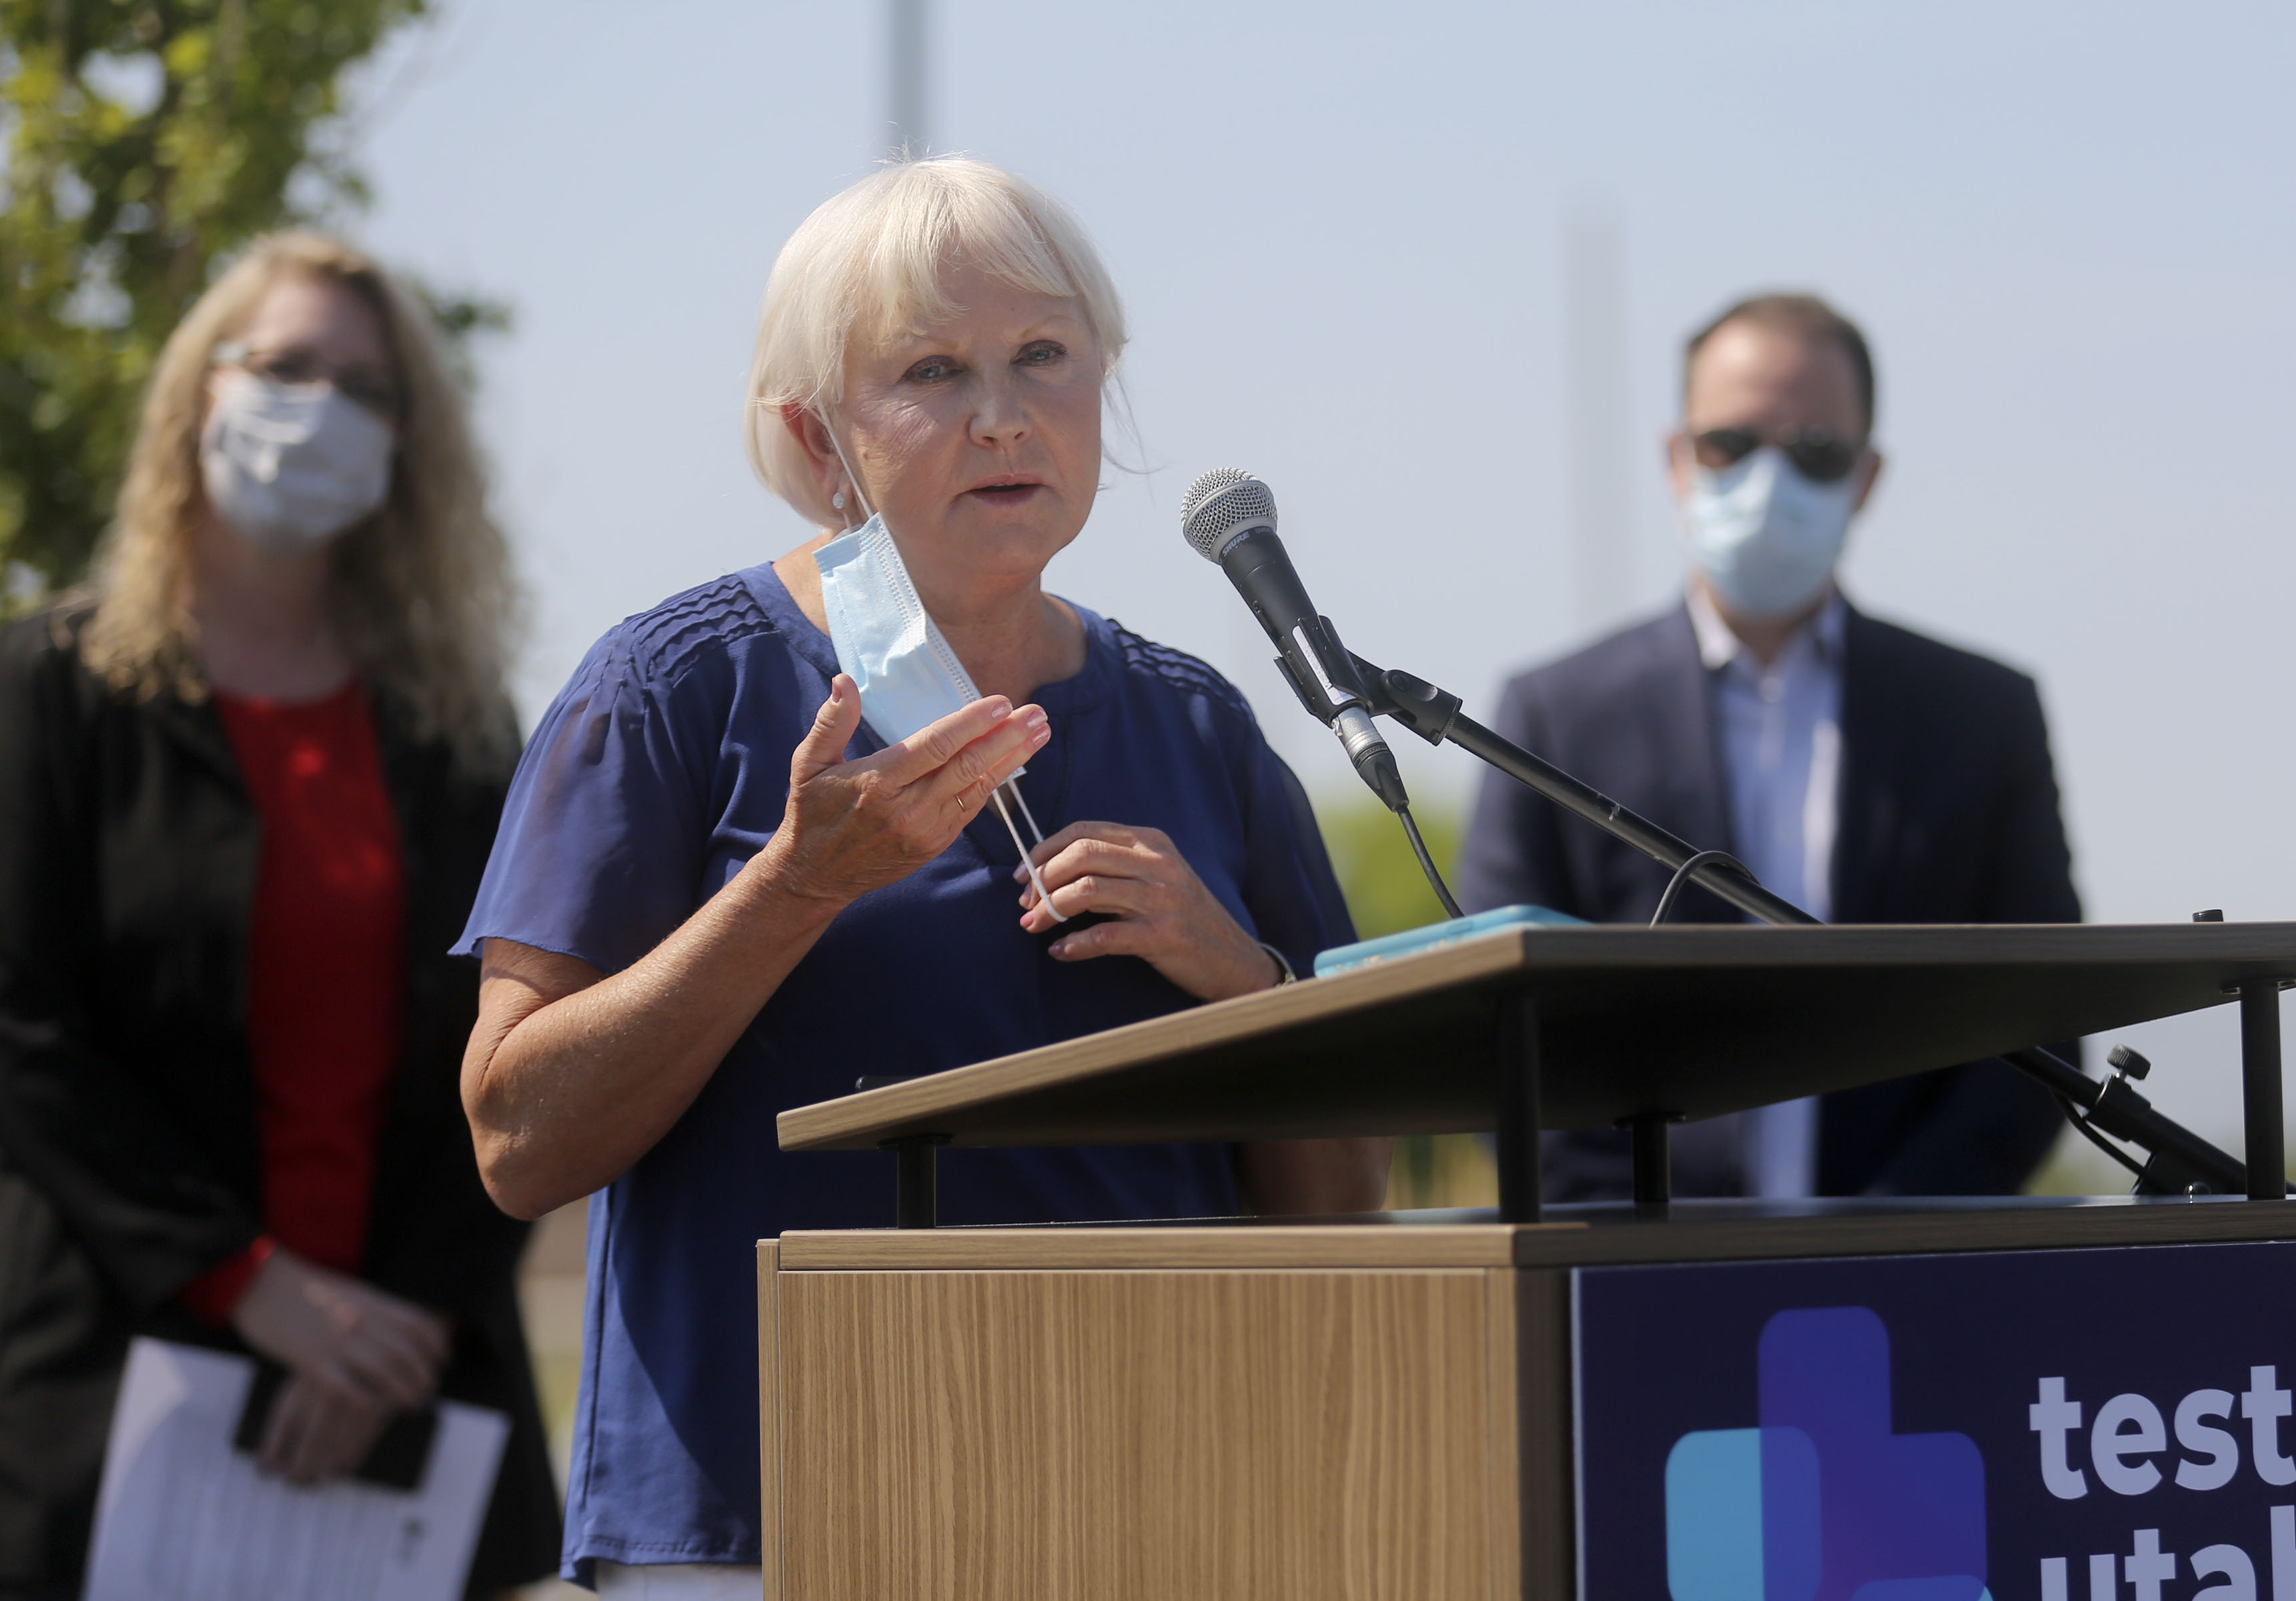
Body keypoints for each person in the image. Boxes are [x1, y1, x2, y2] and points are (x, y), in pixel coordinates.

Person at [455, 155, 1382, 1596]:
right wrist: (788, 892)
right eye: (931, 371)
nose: (1002, 414)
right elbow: (517, 1142)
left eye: (1042, 358)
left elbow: (1337, 1209)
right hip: (771, 1525)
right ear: (816, 437)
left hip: (1145, 1508)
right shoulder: (671, 692)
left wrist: (1241, 981)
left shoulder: (1197, 721)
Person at [0, 234, 558, 1597]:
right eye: (288, 366)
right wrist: (248, 1284)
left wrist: (399, 1328)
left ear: (406, 446)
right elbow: (23, 1034)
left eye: (365, 388)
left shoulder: (464, 734)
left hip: (414, 1408)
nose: (321, 408)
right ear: (201, 390)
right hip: (111, 1396)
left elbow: (530, 1037)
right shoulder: (49, 691)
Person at [1458, 291, 2077, 1203]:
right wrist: (1652, 1242)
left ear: (1865, 478)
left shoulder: (1981, 715)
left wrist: (1888, 1239)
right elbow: (1498, 1030)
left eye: (1814, 452)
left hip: (1915, 1277)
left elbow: (2041, 1024)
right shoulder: (1550, 717)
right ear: (1676, 458)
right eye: (1730, 445)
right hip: (1633, 1283)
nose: (1766, 481)